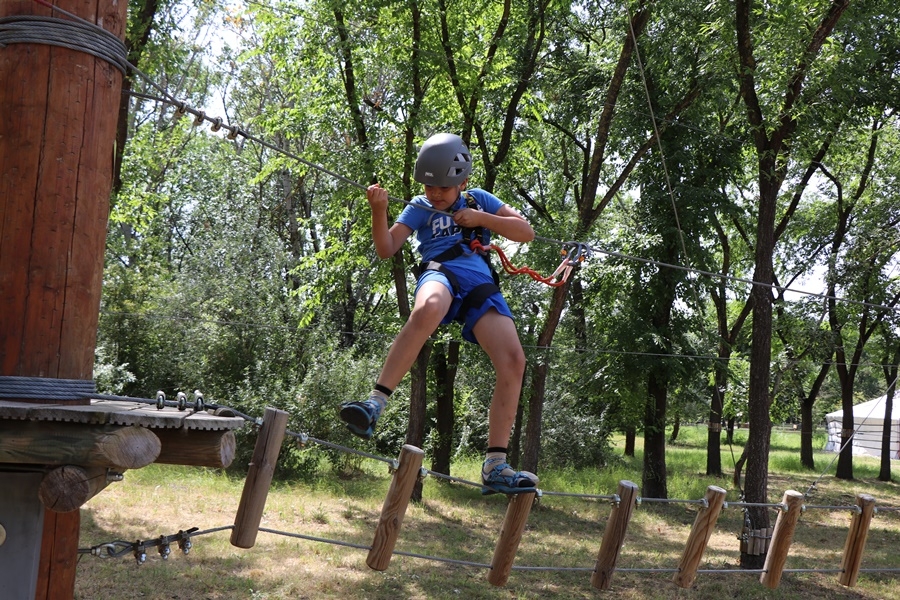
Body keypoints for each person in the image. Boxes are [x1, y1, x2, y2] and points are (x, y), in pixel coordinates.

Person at [340, 133, 538, 495]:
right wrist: (378, 210)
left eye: (444, 188)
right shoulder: (419, 206)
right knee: (428, 308)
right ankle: (374, 404)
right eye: (429, 187)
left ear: (463, 182)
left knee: (514, 361)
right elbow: (388, 248)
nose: (435, 194)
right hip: (440, 272)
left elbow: (526, 231)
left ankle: (496, 465)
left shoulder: (480, 200)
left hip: (478, 280)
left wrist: (480, 217)